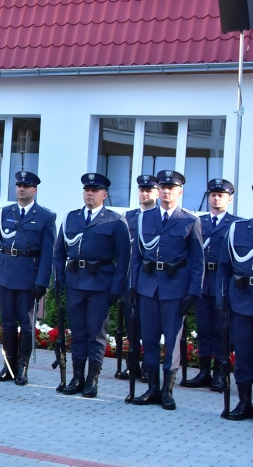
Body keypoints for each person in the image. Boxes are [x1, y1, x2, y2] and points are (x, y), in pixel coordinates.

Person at [130, 169, 203, 410]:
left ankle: (167, 391)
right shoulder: (145, 218)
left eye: (171, 188)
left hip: (175, 289)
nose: (166, 191)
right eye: (163, 187)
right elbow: (137, 257)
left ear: (180, 192)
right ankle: (152, 387)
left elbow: (196, 262)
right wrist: (133, 285)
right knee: (148, 339)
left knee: (172, 341)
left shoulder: (189, 221)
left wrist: (193, 292)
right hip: (148, 287)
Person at [53, 173, 131, 397]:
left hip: (101, 284)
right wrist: (58, 279)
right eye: (87, 190)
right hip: (75, 282)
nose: (90, 193)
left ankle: (92, 379)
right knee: (78, 332)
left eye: (95, 190)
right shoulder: (71, 218)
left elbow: (124, 258)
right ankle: (77, 377)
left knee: (96, 334)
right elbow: (59, 253)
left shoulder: (115, 221)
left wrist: (117, 288)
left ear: (104, 195)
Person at [0, 171, 56, 385]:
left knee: (26, 324)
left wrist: (42, 282)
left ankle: (22, 368)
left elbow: (47, 253)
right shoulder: (4, 213)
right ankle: (8, 366)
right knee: (7, 323)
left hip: (28, 277)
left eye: (27, 186)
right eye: (19, 185)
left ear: (35, 190)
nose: (21, 189)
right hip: (5, 275)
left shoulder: (45, 216)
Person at [183, 179, 238, 392]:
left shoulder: (236, 224)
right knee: (203, 327)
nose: (216, 198)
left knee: (222, 329)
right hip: (203, 281)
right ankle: (204, 371)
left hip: (223, 282)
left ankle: (221, 374)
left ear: (229, 199)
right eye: (213, 195)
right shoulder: (198, 222)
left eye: (221, 195)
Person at [217, 183, 253, 421]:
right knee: (242, 353)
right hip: (241, 301)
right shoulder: (238, 229)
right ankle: (243, 403)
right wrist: (222, 298)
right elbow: (224, 266)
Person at [116, 174, 159, 382]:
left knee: (148, 327)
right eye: (142, 190)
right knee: (130, 325)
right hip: (130, 278)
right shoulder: (128, 217)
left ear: (157, 193)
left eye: (149, 190)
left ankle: (149, 368)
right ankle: (132, 365)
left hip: (151, 279)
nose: (144, 193)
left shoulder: (159, 217)